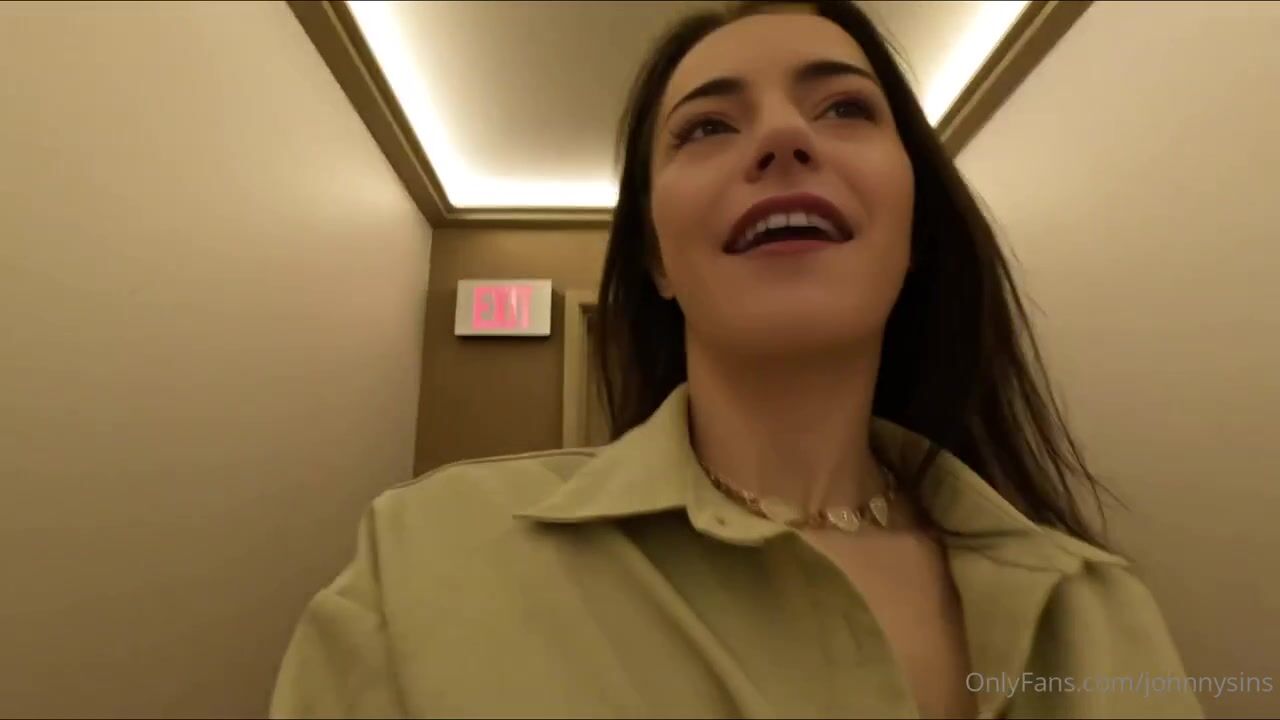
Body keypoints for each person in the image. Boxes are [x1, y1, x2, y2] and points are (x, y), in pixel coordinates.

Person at [270, 1, 1201, 717]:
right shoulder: (422, 560)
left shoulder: (1097, 610)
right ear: (655, 260)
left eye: (844, 107)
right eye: (708, 127)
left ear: (916, 229)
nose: (784, 137)